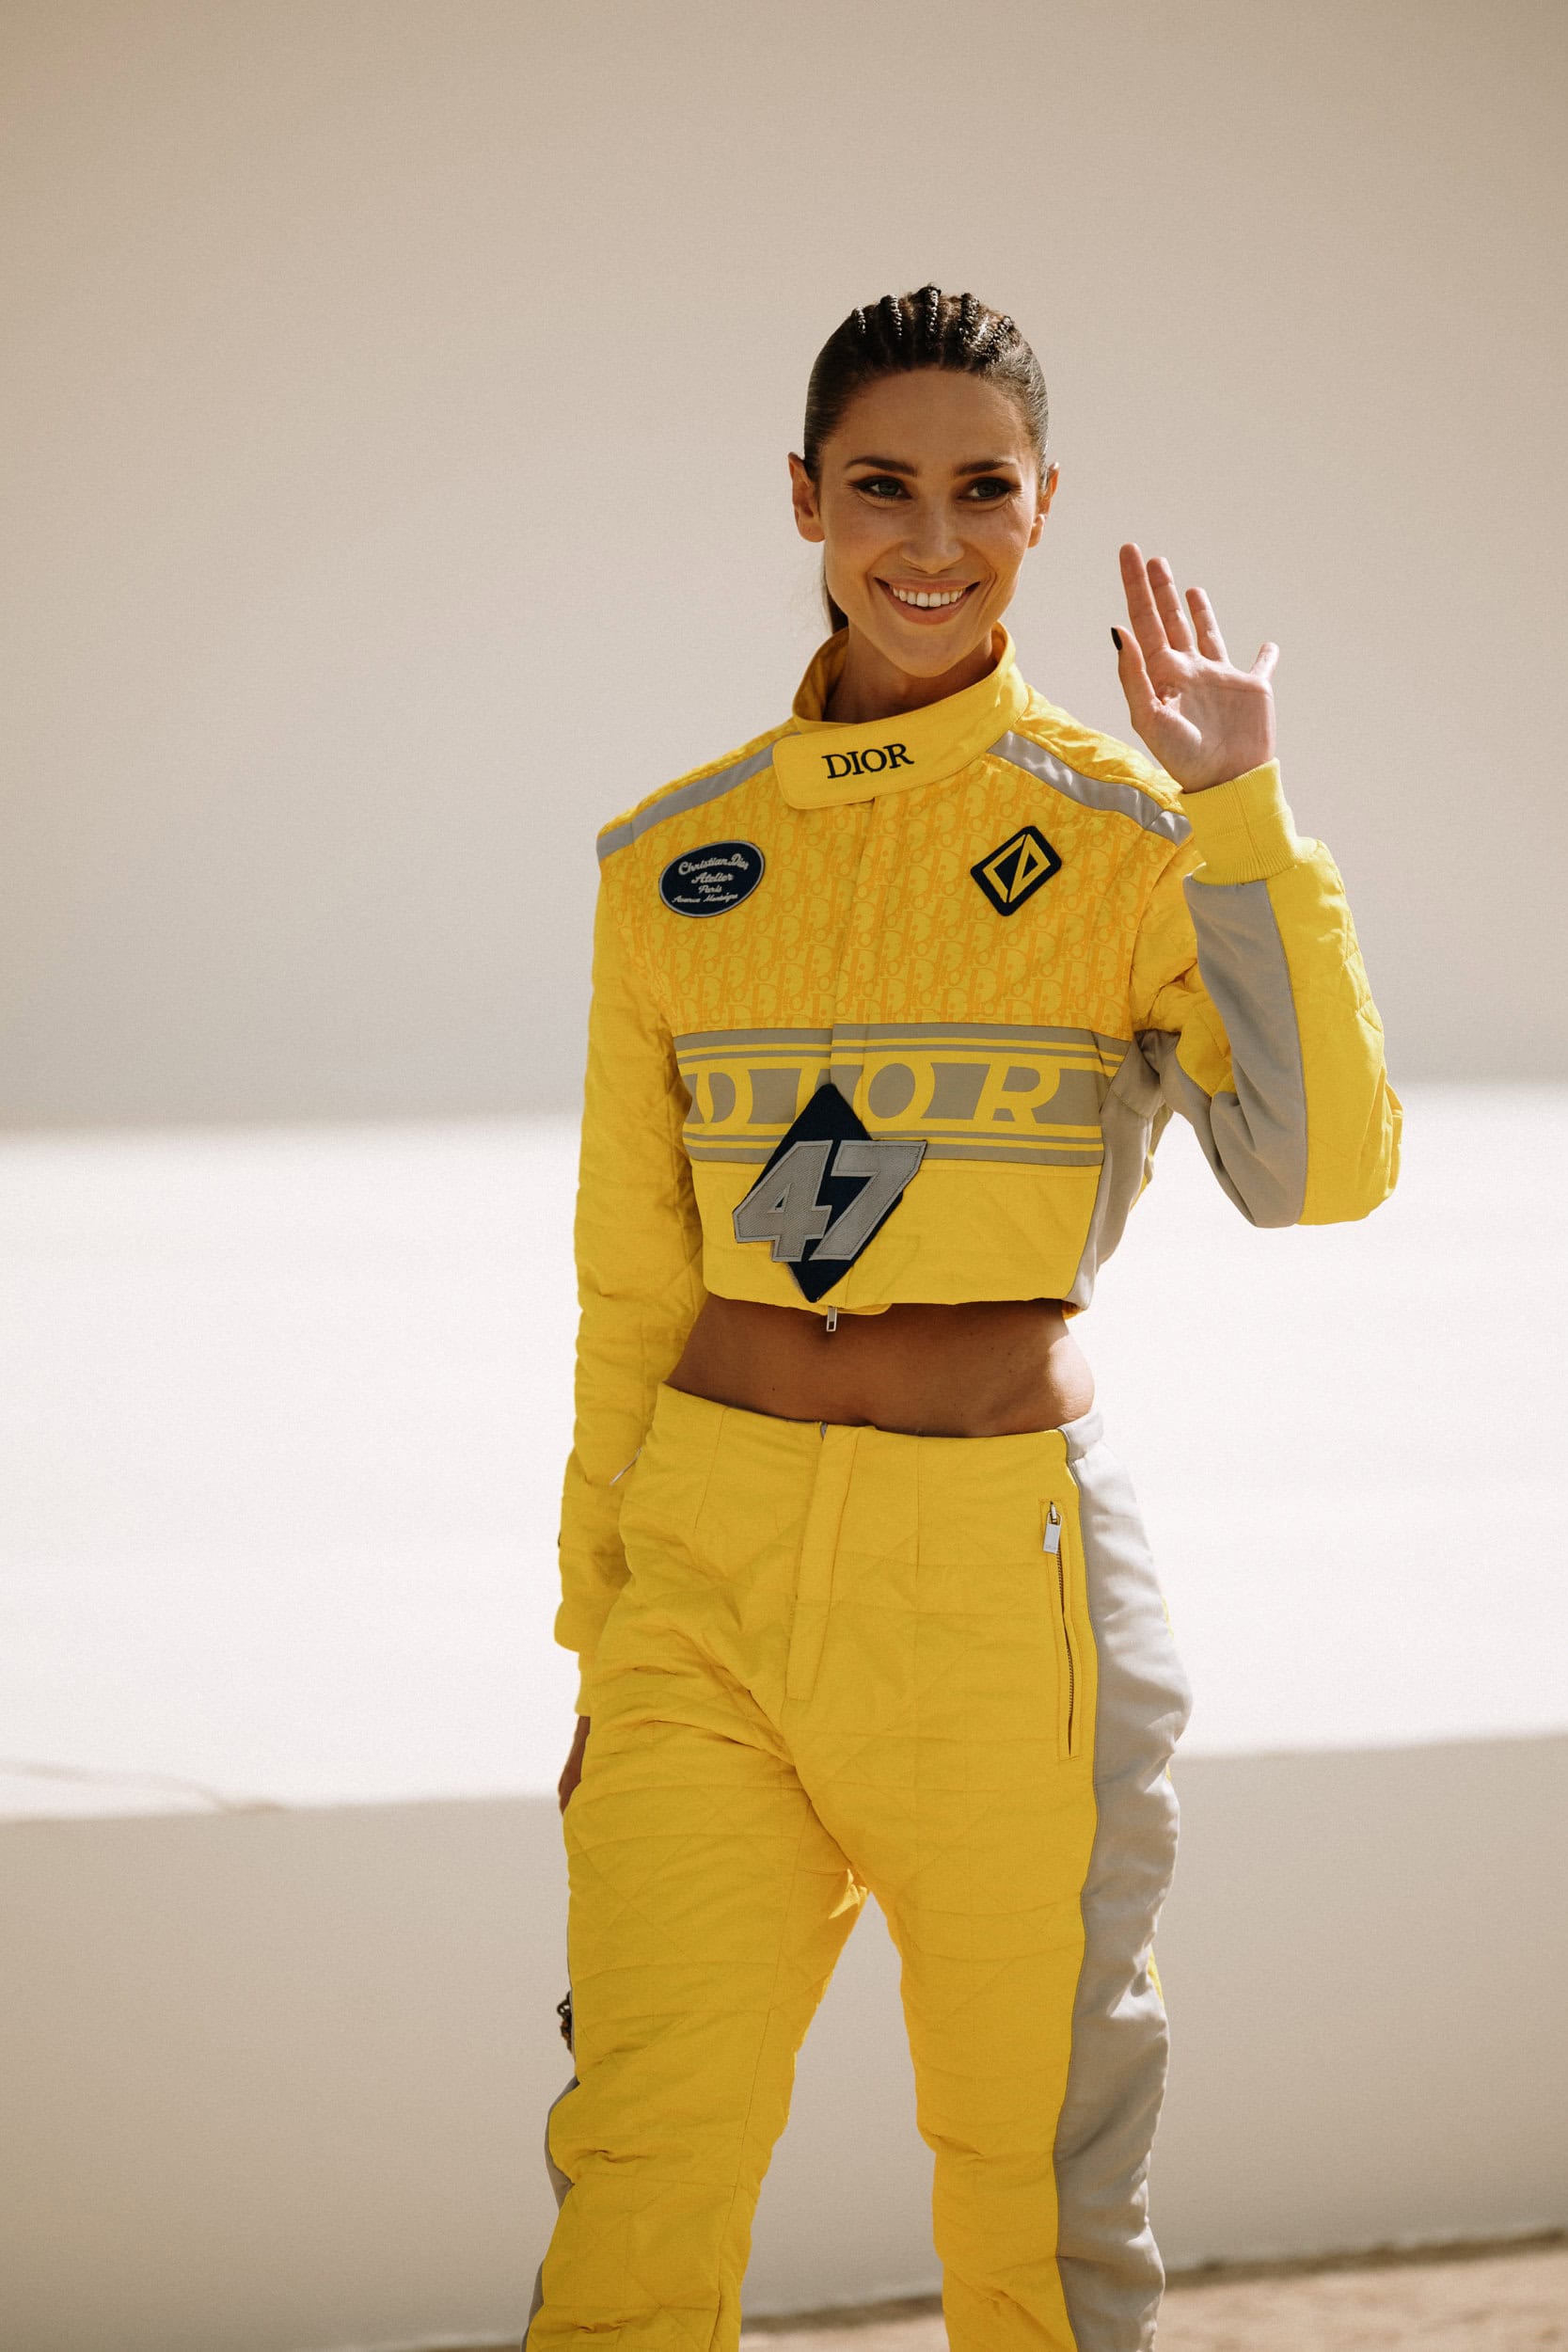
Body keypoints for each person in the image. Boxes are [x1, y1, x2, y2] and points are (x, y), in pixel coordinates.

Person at [526, 285, 1401, 2352]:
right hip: (704, 1587)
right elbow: (632, 1279)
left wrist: (1243, 813)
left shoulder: (1131, 833)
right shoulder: (669, 858)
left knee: (1033, 2201)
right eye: (883, 486)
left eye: (982, 490)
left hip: (999, 1593)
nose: (933, 539)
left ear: (1044, 506)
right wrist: (600, 1631)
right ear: (804, 500)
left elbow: (1319, 1167)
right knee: (640, 2175)